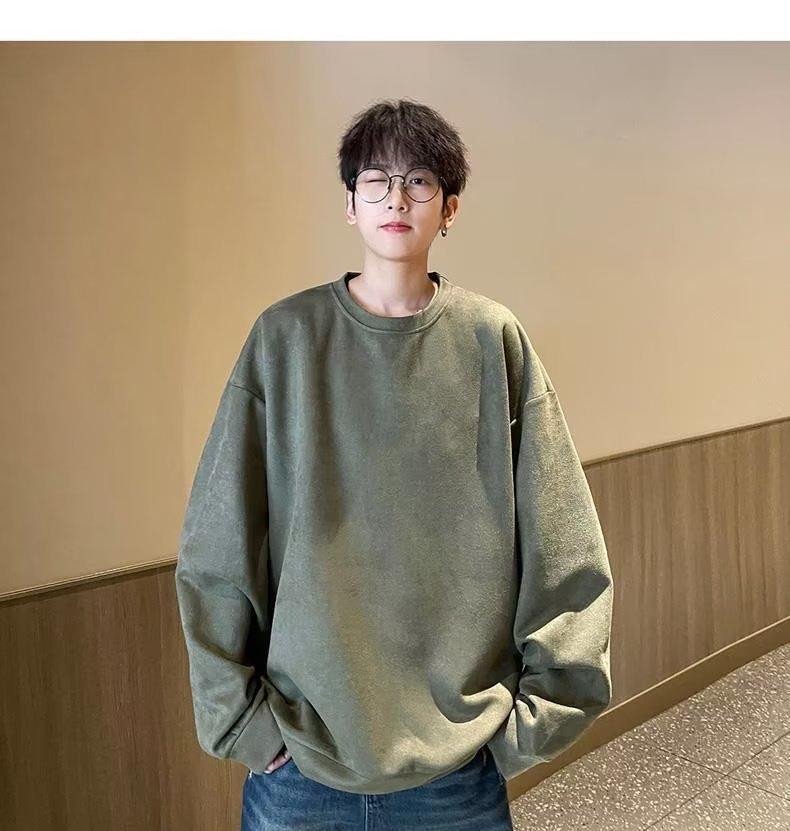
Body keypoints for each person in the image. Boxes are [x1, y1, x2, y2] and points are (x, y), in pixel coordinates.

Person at [174, 98, 614, 830]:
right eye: (376, 180)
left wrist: (535, 721)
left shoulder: (491, 340)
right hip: (298, 762)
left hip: (457, 767)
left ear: (450, 209)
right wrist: (243, 724)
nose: (397, 198)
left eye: (419, 181)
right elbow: (216, 550)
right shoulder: (284, 341)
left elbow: (565, 545)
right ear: (350, 204)